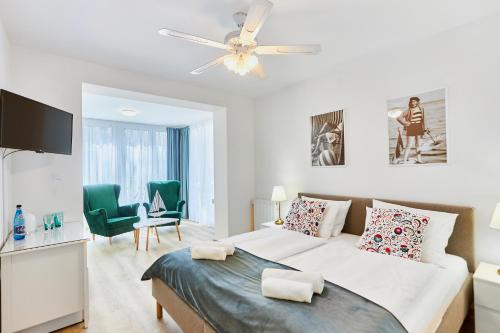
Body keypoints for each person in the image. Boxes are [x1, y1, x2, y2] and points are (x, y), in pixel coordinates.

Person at [397, 97, 426, 164]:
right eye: (412, 101)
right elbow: (398, 118)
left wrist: (425, 128)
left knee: (418, 145)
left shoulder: (421, 109)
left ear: (418, 102)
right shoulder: (408, 110)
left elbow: (424, 120)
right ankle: (404, 161)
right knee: (408, 145)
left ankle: (419, 160)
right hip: (411, 127)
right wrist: (405, 123)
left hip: (419, 127)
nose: (413, 103)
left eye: (415, 101)